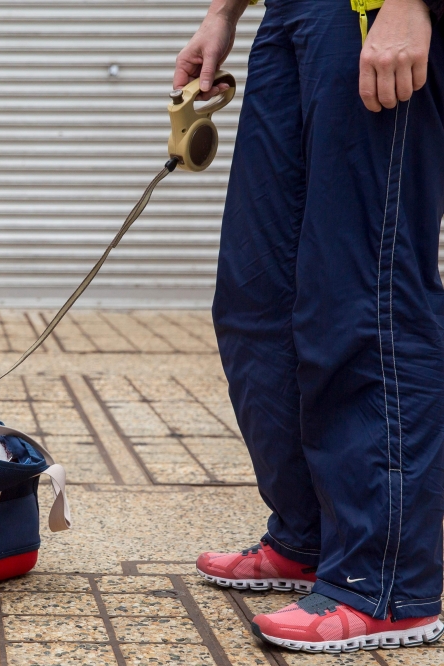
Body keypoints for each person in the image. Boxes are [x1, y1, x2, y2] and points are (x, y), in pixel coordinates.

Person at [182, 0, 444, 652]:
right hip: (290, 15)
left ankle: (386, 582)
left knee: (366, 293)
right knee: (255, 301)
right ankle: (309, 536)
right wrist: (223, 13)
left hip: (370, 10)